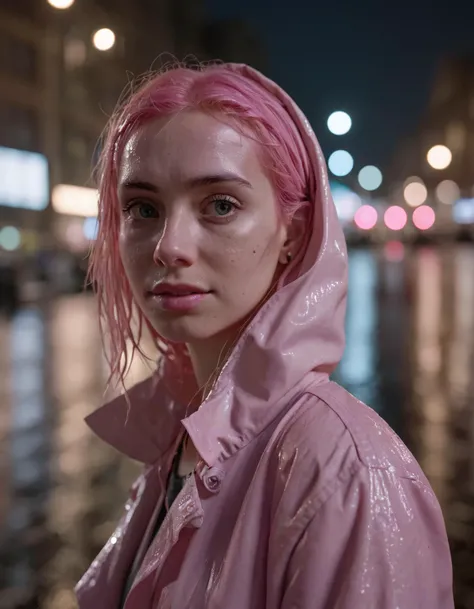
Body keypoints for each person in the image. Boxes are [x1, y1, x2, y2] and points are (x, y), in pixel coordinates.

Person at [75, 62, 454, 608]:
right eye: (143, 208)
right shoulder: (183, 436)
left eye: (220, 205)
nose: (168, 245)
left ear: (291, 235)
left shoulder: (344, 474)